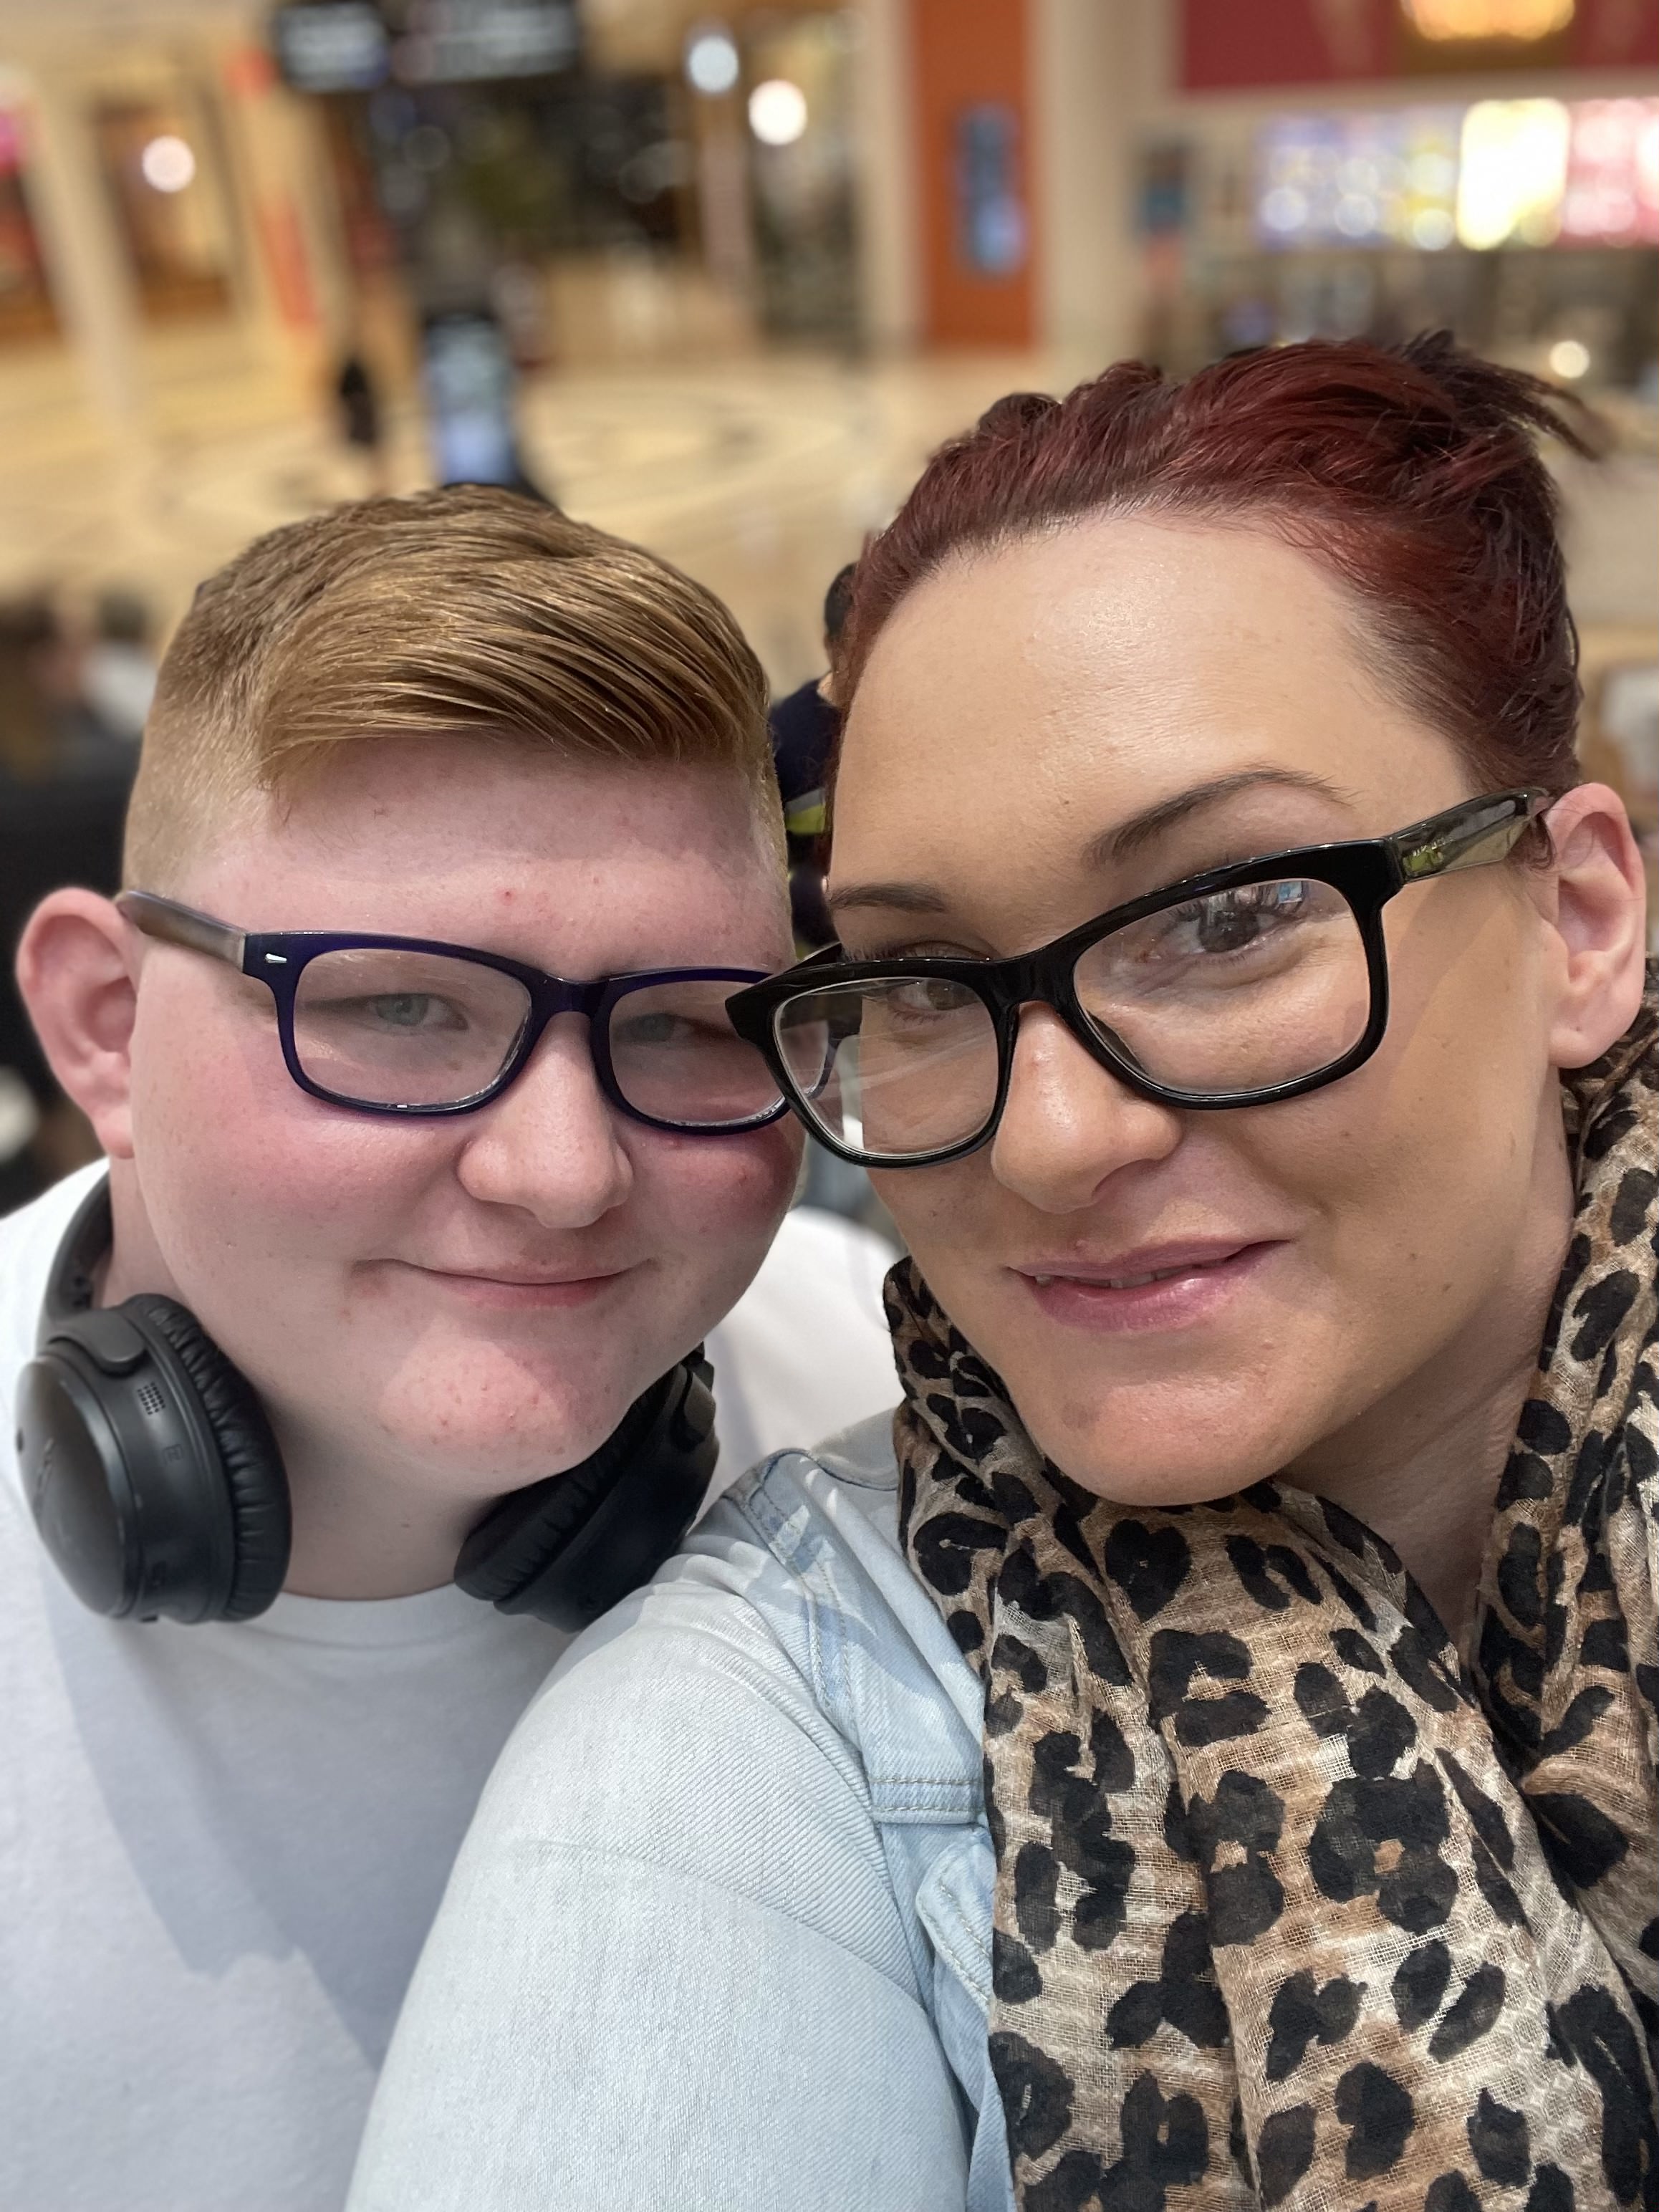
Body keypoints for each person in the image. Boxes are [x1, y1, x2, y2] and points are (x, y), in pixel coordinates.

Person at [348, 339, 1656, 2211]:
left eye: (1225, 916)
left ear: (1579, 921)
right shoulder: (755, 1747)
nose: (1049, 1142)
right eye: (917, 979)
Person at [0, 484, 902, 2211]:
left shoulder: (879, 1406)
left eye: (695, 1025)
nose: (561, 1174)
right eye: (397, 1007)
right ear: (106, 1030)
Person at [769, 560, 856, 951]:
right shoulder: (782, 738)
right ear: (830, 646)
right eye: (859, 647)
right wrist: (809, 894)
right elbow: (767, 866)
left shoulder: (921, 715)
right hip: (823, 949)